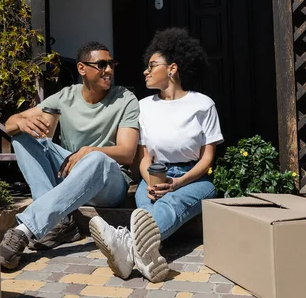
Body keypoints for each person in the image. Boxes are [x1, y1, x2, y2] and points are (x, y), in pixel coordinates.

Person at [90, 27, 223, 283]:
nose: (145, 71)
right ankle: (144, 259)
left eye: (152, 65)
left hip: (192, 179)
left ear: (172, 68)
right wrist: (151, 182)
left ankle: (125, 245)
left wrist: (177, 183)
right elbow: (142, 155)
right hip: (151, 177)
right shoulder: (142, 107)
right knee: (147, 206)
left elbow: (207, 159)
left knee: (169, 204)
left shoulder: (203, 105)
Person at [0, 41, 140, 270]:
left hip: (110, 183)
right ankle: (59, 224)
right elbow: (9, 125)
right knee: (22, 137)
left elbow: (126, 153)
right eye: (102, 64)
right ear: (82, 68)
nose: (109, 70)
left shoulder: (125, 99)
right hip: (71, 172)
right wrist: (22, 121)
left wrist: (91, 150)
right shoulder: (66, 96)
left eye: (111, 64)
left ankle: (24, 230)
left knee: (96, 159)